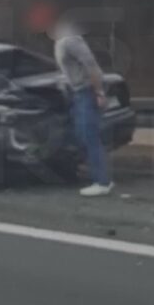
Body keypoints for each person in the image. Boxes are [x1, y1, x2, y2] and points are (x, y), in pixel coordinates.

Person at [45, 12, 114, 197]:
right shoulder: (60, 43)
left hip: (87, 91)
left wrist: (99, 93)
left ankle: (102, 181)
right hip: (77, 92)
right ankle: (97, 175)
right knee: (82, 135)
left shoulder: (71, 41)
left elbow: (91, 66)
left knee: (89, 136)